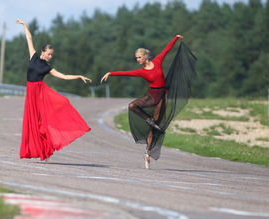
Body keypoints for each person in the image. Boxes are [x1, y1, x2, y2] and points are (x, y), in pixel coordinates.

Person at [101, 35, 189, 169]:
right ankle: (148, 119)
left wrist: (176, 38)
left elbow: (167, 49)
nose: (137, 60)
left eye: (139, 57)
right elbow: (126, 73)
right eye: (136, 58)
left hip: (162, 96)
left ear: (145, 56)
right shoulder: (141, 71)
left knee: (154, 128)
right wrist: (111, 73)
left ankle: (147, 153)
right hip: (151, 95)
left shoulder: (158, 61)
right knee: (132, 105)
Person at [17, 18, 92, 161]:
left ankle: (46, 150)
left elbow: (63, 76)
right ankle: (41, 150)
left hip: (39, 93)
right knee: (32, 123)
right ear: (42, 52)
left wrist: (78, 76)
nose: (50, 57)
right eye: (49, 54)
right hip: (30, 92)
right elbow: (29, 38)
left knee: (41, 123)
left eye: (52, 55)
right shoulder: (33, 56)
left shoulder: (47, 67)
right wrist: (25, 25)